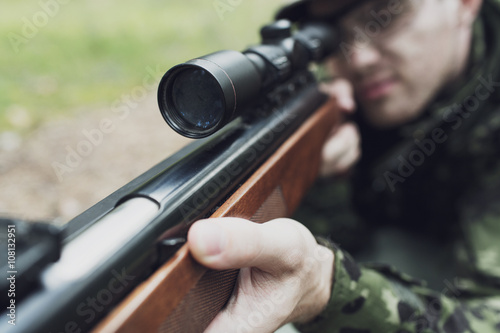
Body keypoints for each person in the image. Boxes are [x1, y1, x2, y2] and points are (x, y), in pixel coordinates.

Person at [188, 0, 500, 331]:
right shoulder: (339, 96)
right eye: (334, 35)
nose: (359, 59)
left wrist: (326, 290)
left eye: (385, 16)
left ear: (465, 4)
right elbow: (352, 238)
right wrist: (320, 181)